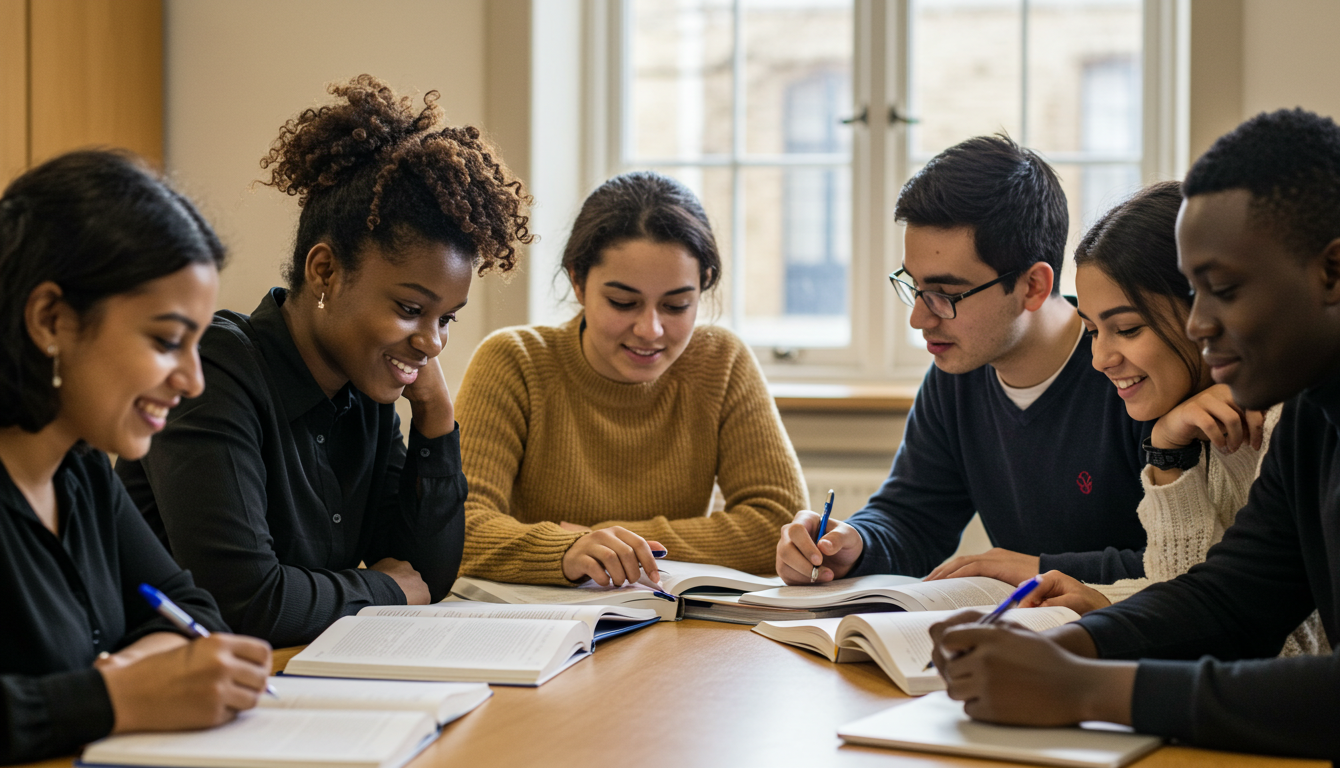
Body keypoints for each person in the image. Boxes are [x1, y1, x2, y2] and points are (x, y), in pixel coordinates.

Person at [929, 109, 1340, 764]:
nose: (1200, 325)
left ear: (1332, 273)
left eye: (1222, 291)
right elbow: (1234, 596)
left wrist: (1087, 689)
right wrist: (1074, 644)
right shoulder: (1315, 410)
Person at [116, 75, 532, 646]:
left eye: (447, 319)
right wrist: (382, 593)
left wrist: (435, 411)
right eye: (411, 308)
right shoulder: (216, 370)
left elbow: (426, 576)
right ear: (325, 271)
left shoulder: (363, 390)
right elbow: (245, 603)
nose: (432, 341)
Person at [774, 134, 1149, 588]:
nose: (918, 319)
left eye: (946, 295)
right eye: (914, 288)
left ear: (1033, 286)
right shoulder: (957, 375)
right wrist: (854, 543)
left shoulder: (1131, 371)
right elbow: (913, 518)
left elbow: (1190, 560)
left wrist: (1041, 569)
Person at [0, 150, 272, 763]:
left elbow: (191, 611)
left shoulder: (82, 470)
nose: (194, 380)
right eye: (167, 341)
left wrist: (127, 675)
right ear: (51, 319)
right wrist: (113, 696)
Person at [455, 171, 808, 586]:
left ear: (703, 285)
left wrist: (601, 542)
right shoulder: (514, 362)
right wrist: (565, 549)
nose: (650, 330)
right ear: (578, 281)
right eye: (623, 302)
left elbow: (779, 525)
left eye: (676, 305)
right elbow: (458, 527)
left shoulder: (721, 361)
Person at [1033, 180, 1326, 655]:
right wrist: (1167, 451)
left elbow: (1284, 643)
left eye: (1126, 328)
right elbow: (1195, 599)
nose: (1100, 357)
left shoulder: (1288, 419)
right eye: (1091, 331)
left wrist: (1110, 621)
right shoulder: (1201, 418)